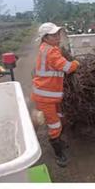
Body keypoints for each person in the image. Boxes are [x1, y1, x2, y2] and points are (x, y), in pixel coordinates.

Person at [31, 22, 79, 167]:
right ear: (45, 37)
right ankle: (59, 155)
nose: (58, 37)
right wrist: (76, 63)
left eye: (58, 34)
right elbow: (67, 67)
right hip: (46, 96)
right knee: (54, 125)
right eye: (54, 35)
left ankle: (59, 141)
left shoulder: (48, 48)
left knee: (59, 118)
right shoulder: (51, 51)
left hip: (51, 95)